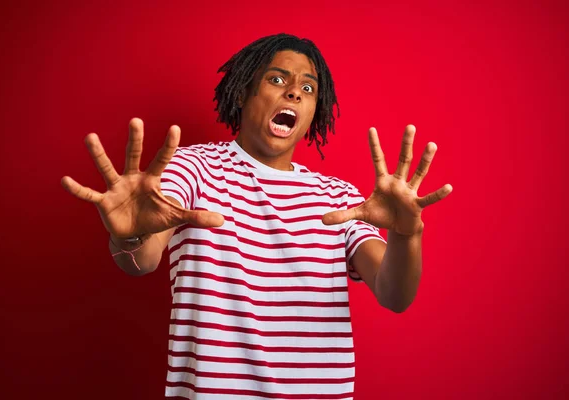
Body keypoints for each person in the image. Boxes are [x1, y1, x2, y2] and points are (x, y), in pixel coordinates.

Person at [61, 33, 452, 400]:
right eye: (277, 79)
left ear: (314, 112)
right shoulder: (194, 168)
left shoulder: (341, 198)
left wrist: (405, 234)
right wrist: (129, 236)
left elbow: (395, 294)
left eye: (308, 87)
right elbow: (142, 261)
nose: (295, 91)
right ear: (245, 91)